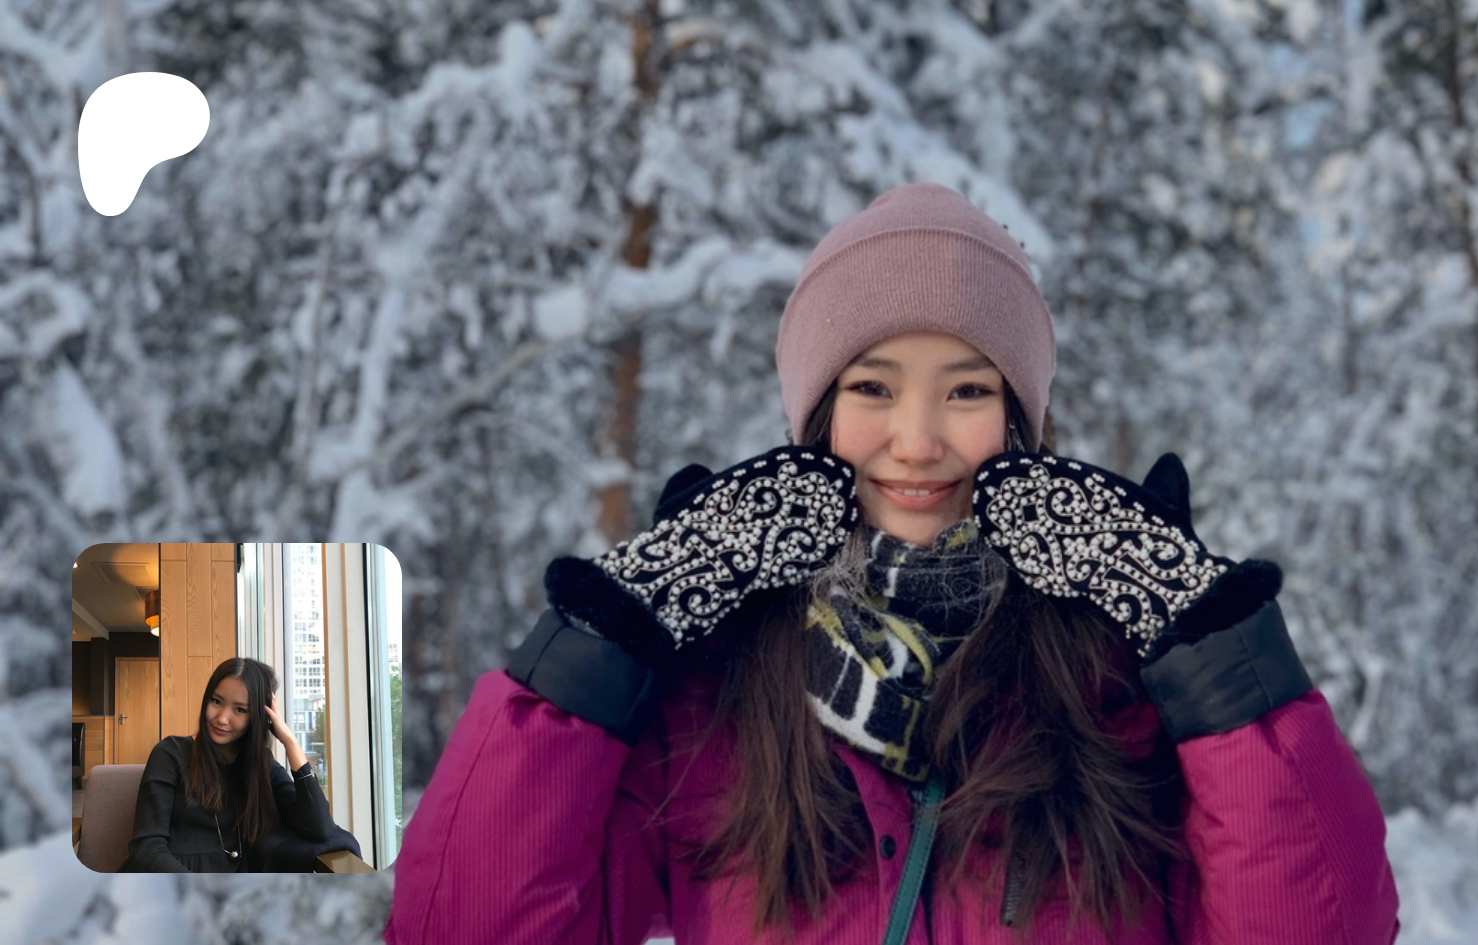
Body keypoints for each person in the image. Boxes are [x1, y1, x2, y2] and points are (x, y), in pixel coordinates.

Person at [387, 183, 1401, 943]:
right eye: (873, 388)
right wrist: (608, 637)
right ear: (817, 418)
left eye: (967, 391)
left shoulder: (1117, 686)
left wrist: (1211, 649)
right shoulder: (717, 694)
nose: (917, 442)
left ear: (1020, 420)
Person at [123, 657, 330, 872]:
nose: (222, 718)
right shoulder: (170, 753)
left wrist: (291, 742)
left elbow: (319, 828)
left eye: (240, 710)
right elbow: (147, 848)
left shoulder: (260, 765)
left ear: (258, 716)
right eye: (216, 701)